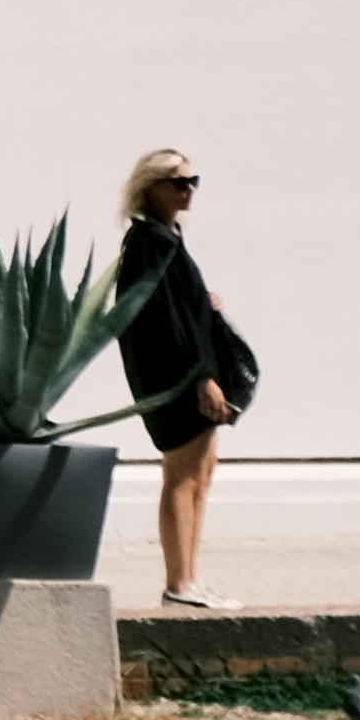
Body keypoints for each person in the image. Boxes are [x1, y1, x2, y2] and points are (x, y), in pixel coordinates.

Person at [112, 148, 257, 608]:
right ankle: (179, 583)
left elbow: (179, 306)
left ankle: (189, 580)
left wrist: (204, 299)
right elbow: (165, 321)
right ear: (151, 187)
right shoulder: (150, 241)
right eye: (178, 182)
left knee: (202, 471)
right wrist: (202, 378)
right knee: (183, 475)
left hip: (189, 373)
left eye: (193, 181)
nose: (189, 190)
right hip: (180, 378)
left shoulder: (165, 237)